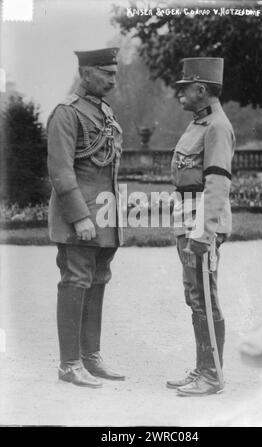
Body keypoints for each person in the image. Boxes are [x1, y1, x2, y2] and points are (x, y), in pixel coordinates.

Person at [47, 47, 125, 388]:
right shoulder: (66, 113)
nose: (113, 77)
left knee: (97, 281)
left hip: (104, 218)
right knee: (75, 281)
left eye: (114, 71)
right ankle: (69, 363)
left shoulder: (104, 111)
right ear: (86, 73)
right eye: (106, 72)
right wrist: (80, 216)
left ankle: (90, 356)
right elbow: (62, 171)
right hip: (79, 219)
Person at [167, 57, 235, 396]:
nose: (179, 94)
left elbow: (218, 183)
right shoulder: (200, 123)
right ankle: (203, 369)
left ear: (201, 89)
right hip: (189, 219)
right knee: (195, 295)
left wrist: (205, 232)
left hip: (201, 222)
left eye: (184, 89)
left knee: (205, 295)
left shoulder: (217, 126)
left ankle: (212, 376)